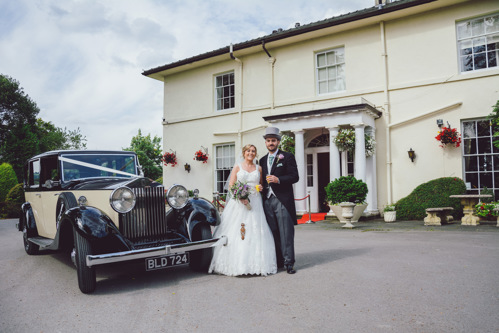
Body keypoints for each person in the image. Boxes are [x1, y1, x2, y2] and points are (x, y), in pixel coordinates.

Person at [209, 144, 277, 276]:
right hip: (239, 204)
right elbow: (231, 186)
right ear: (244, 153)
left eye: (253, 151)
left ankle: (257, 264)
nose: (251, 153)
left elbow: (261, 184)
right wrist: (240, 196)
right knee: (238, 231)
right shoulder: (238, 167)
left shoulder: (259, 168)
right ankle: (237, 265)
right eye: (248, 151)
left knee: (256, 229)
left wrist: (260, 188)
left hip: (255, 202)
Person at [260, 127, 299, 274]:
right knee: (273, 232)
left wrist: (279, 179)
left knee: (286, 233)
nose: (271, 143)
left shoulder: (287, 156)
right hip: (267, 200)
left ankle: (289, 263)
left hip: (282, 200)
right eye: (268, 140)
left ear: (278, 142)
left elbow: (295, 176)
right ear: (266, 142)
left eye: (273, 140)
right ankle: (279, 261)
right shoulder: (262, 160)